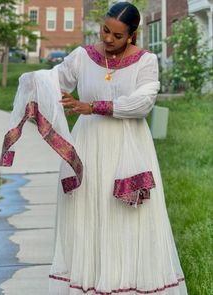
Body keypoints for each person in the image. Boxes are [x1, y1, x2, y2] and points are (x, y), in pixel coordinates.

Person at [47, 2, 188, 294]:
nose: (109, 39)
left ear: (133, 35)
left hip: (128, 145)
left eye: (118, 35)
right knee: (88, 213)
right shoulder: (83, 57)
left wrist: (94, 106)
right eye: (105, 30)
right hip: (89, 143)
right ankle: (91, 282)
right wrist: (33, 84)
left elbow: (142, 103)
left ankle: (126, 284)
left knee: (127, 216)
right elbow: (54, 80)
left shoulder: (146, 61)